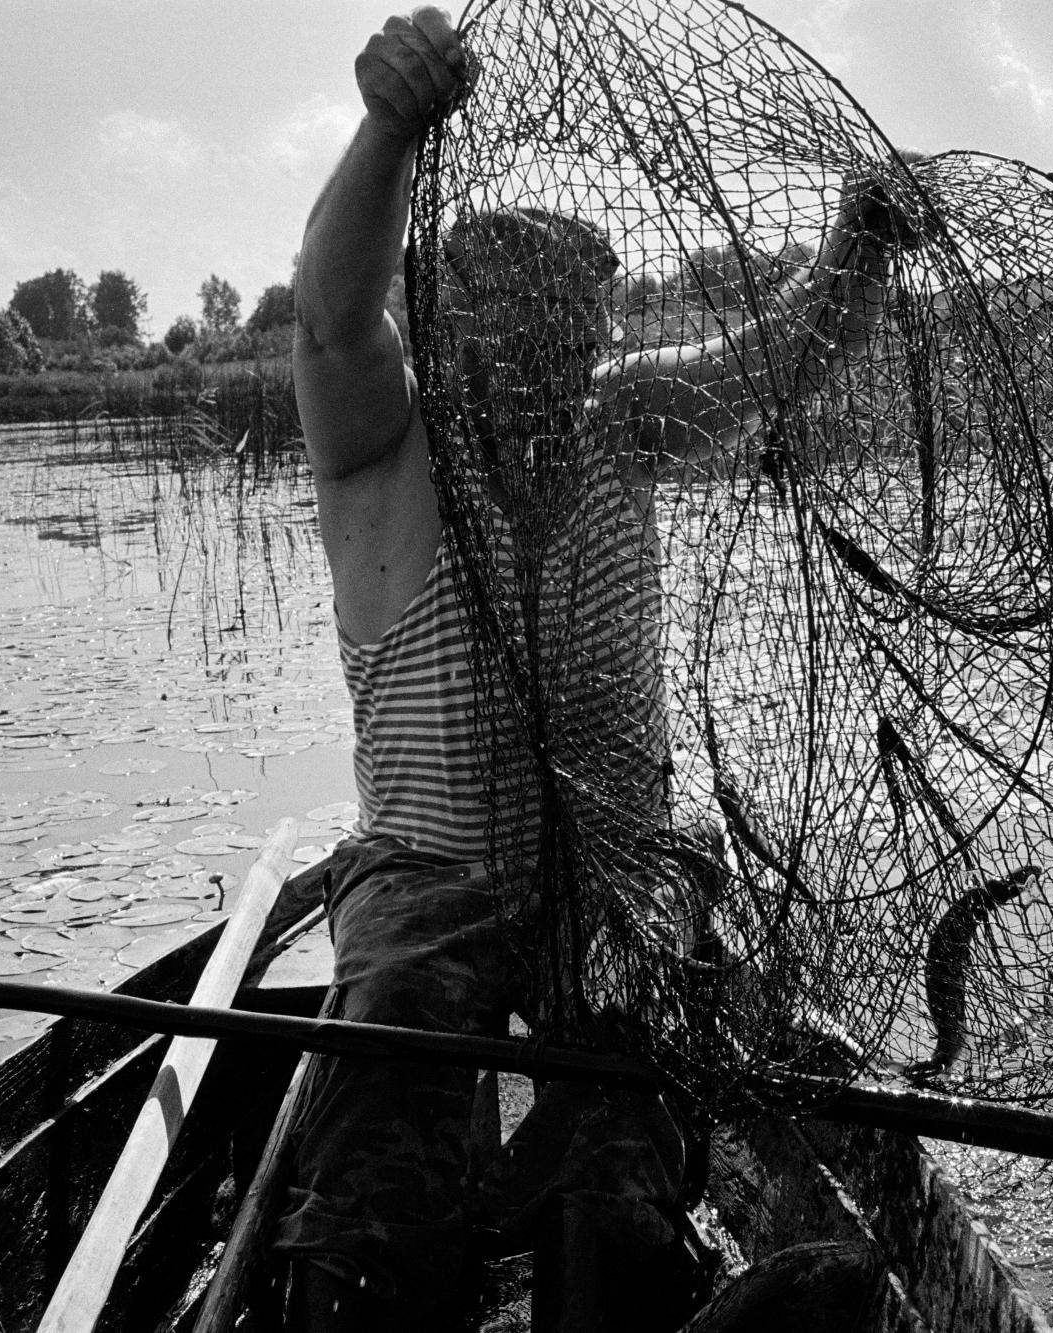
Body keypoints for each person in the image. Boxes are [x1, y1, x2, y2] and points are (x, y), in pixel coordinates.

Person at [275, 9, 916, 1329]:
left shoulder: (624, 425)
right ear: (444, 328)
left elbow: (779, 359)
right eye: (505, 328)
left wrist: (858, 244)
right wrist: (393, 122)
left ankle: (613, 1263)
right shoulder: (379, 444)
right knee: (392, 1056)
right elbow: (331, 312)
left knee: (619, 1099)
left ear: (595, 333)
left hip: (614, 871)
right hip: (428, 876)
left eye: (567, 329)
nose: (539, 360)